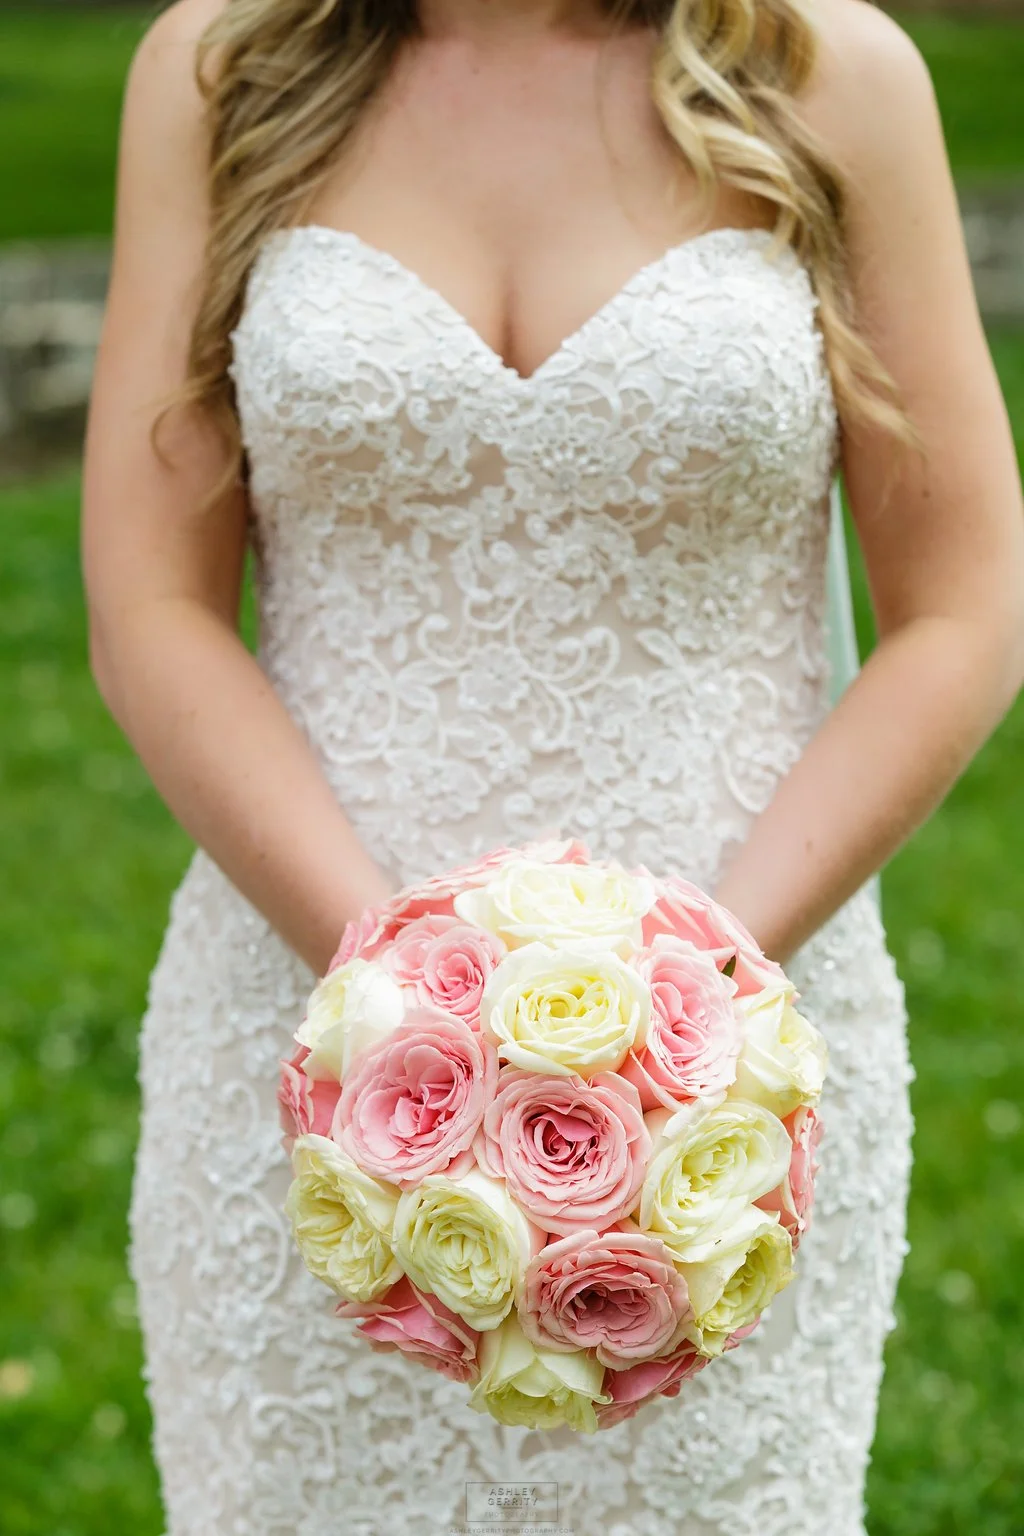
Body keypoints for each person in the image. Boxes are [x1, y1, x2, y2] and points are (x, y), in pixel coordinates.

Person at [80, 0, 1024, 1528]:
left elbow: (965, 609)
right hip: (309, 1036)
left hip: (735, 1062)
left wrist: (692, 996)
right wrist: (404, 1001)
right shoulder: (221, 68)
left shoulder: (832, 77)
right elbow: (149, 607)